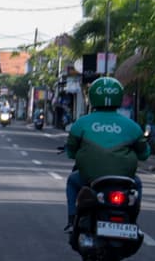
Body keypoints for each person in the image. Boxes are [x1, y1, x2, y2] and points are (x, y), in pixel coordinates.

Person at [63, 75, 149, 229]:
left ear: (93, 97)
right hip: (125, 180)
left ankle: (71, 219)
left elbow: (71, 152)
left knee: (72, 181)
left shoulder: (81, 123)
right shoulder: (132, 126)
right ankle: (133, 219)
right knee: (138, 184)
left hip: (90, 179)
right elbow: (144, 154)